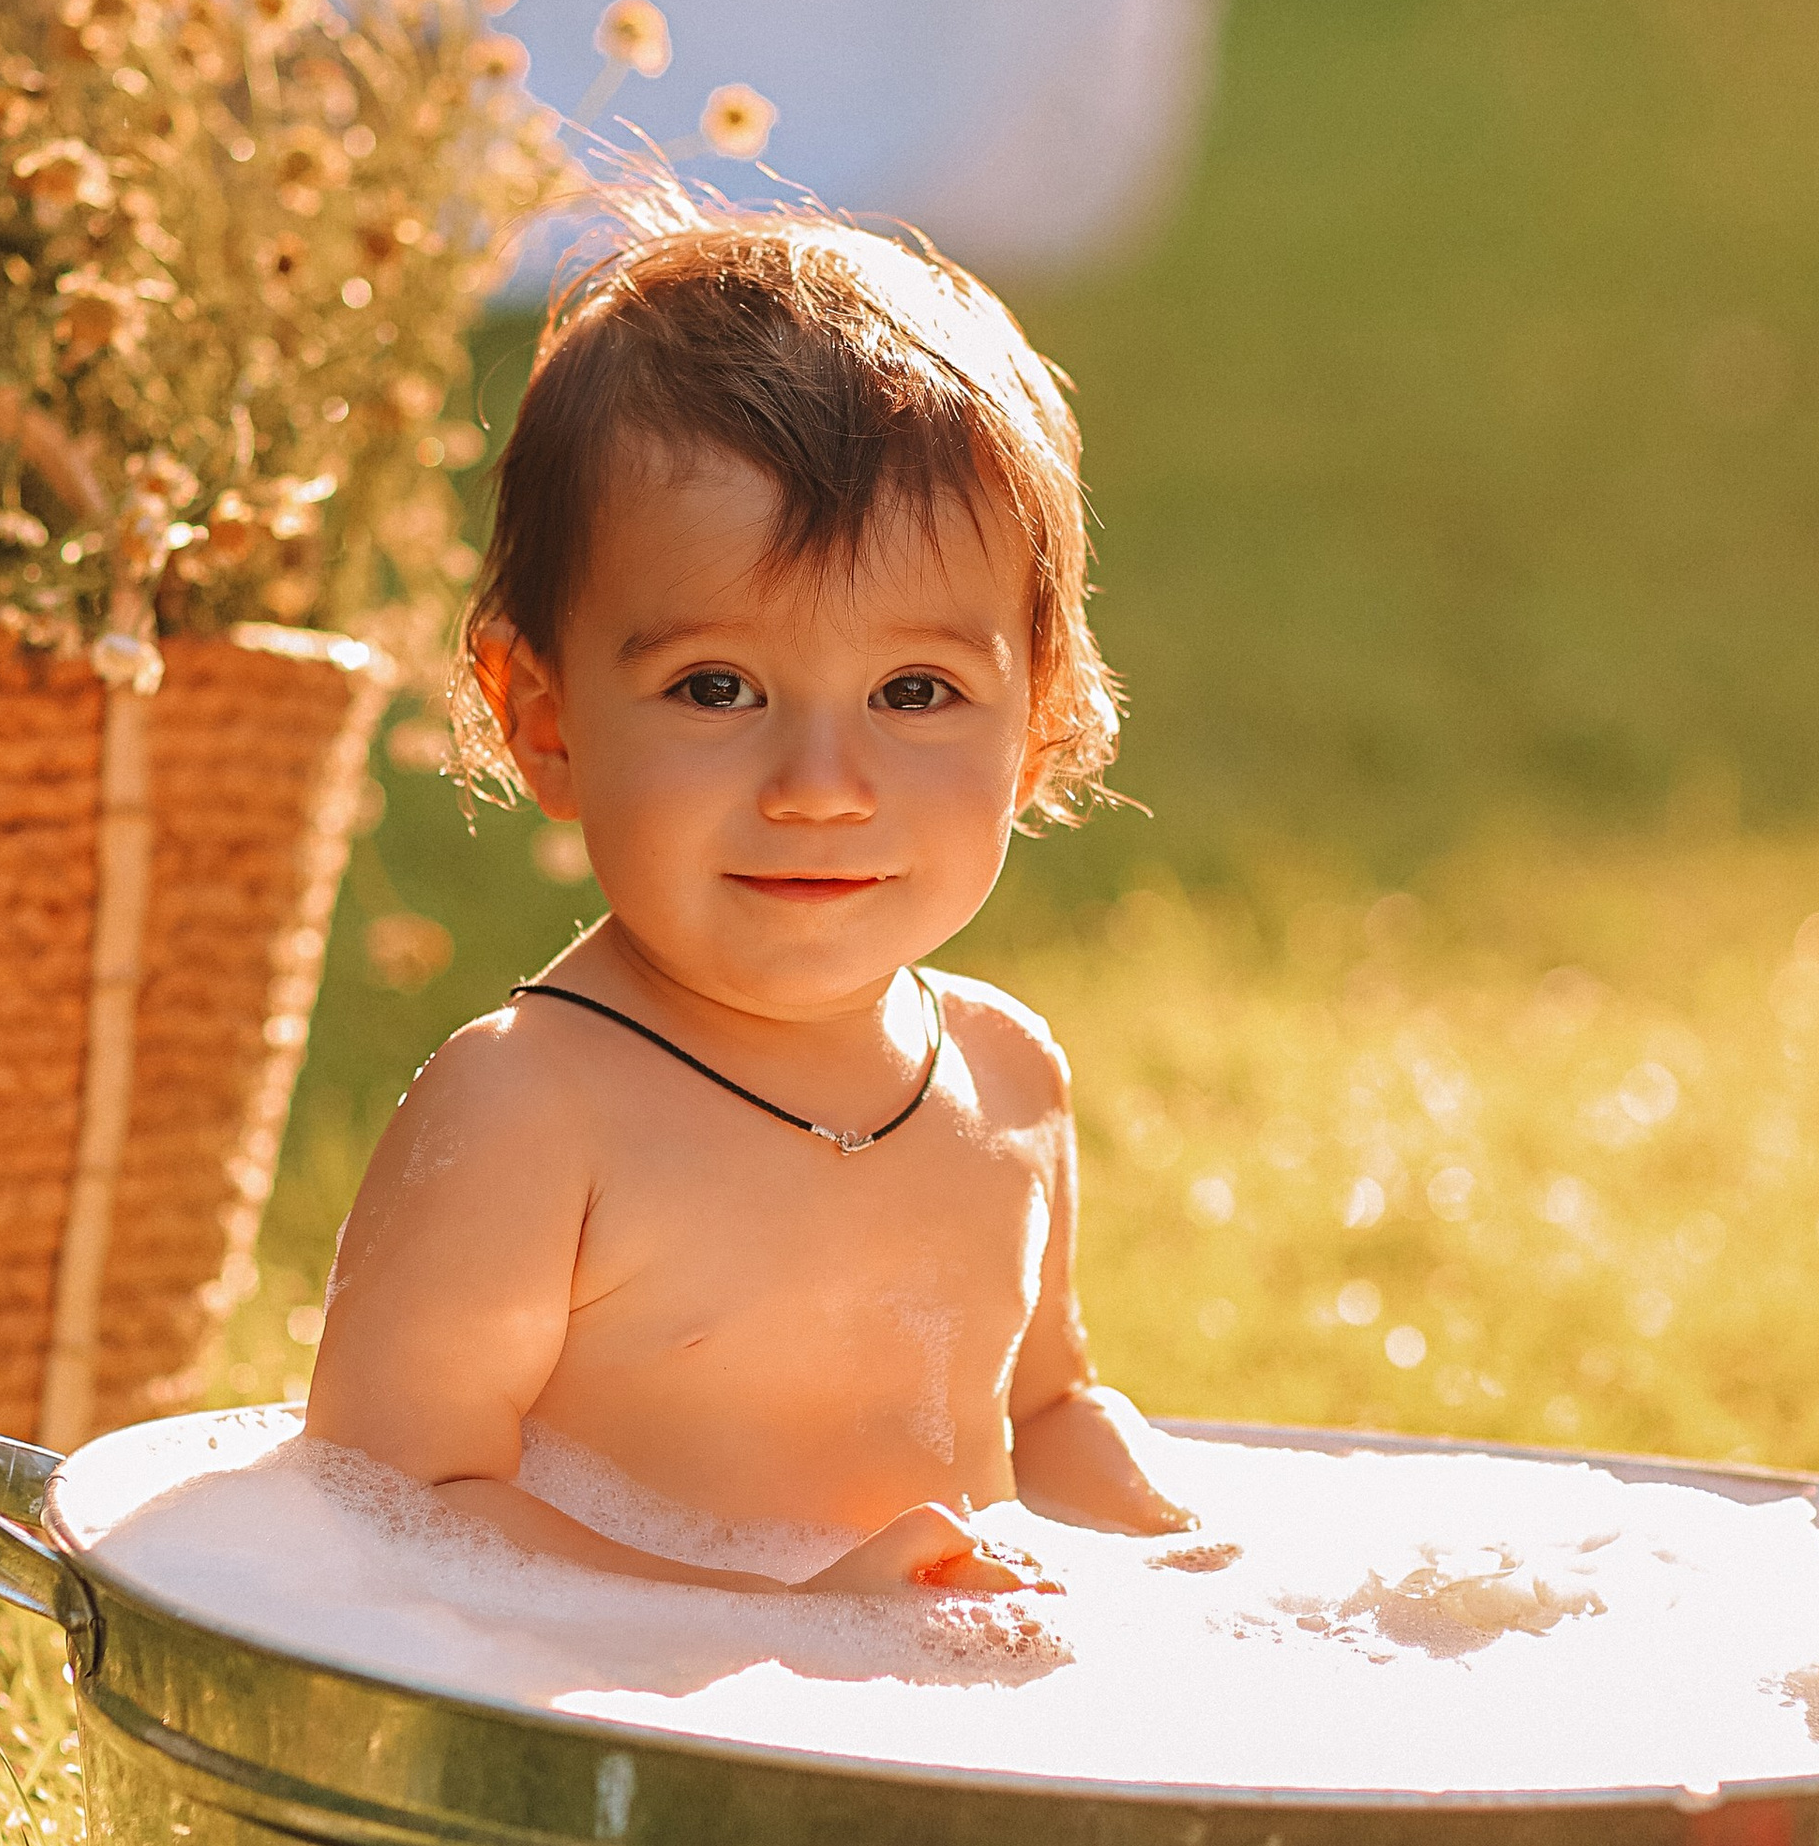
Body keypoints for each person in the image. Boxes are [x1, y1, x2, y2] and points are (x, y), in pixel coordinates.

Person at [305, 205, 1194, 1598]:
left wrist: (1188, 1557)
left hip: (929, 1745)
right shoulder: (533, 1113)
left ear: (1037, 725)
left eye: (915, 693)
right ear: (541, 719)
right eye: (717, 688)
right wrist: (783, 1619)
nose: (821, 786)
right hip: (616, 1749)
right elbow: (386, 1504)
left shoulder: (1008, 1076)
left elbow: (1044, 1412)